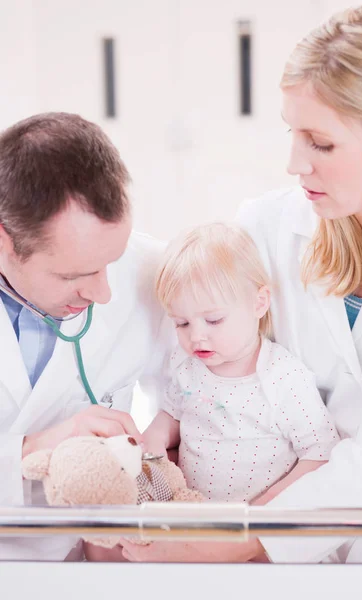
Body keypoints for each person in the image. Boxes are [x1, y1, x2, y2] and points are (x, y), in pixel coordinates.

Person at [121, 4, 362, 563]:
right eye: (293, 134)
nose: (295, 164)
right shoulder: (267, 229)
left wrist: (235, 543)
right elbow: (198, 360)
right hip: (265, 513)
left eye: (321, 144)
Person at [0, 112, 172, 561]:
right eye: (75, 275)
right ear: (5, 243)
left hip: (93, 564)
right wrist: (31, 450)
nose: (104, 292)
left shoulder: (154, 271)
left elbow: (192, 406)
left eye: (111, 261)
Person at [143, 223, 339, 504]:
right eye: (181, 323)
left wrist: (266, 509)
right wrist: (155, 439)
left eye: (214, 320)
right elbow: (173, 413)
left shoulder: (282, 377)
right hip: (193, 514)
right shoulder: (187, 366)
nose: (196, 336)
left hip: (257, 528)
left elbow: (321, 452)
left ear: (259, 303)